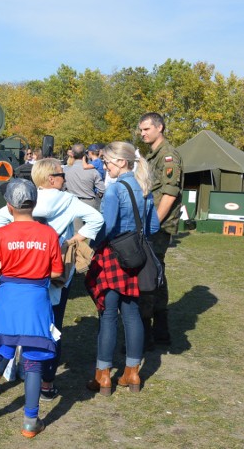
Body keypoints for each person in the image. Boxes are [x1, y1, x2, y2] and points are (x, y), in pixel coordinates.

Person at [0, 158, 103, 401]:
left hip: (21, 272)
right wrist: (70, 242)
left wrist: (15, 239)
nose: (65, 178)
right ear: (52, 178)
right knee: (53, 327)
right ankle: (47, 385)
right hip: (55, 270)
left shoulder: (25, 201)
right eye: (62, 174)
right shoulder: (69, 201)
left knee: (10, 326)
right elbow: (97, 220)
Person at [0, 178, 62, 438]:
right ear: (34, 203)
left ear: (9, 206)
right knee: (33, 360)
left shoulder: (1, 234)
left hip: (8, 299)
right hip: (36, 301)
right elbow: (57, 272)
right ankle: (30, 421)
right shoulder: (49, 234)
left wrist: (8, 275)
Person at [85, 141, 160, 395]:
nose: (104, 166)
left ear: (121, 162)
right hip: (135, 259)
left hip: (112, 256)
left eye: (106, 161)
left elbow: (106, 226)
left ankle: (103, 377)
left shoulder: (115, 190)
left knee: (107, 316)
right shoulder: (144, 188)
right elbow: (153, 228)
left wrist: (92, 245)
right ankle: (133, 374)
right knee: (132, 315)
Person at [138, 112, 182, 348]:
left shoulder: (167, 156)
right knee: (157, 275)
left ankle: (145, 334)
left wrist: (154, 222)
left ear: (160, 127)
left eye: (147, 129)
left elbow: (170, 192)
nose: (143, 133)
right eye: (141, 130)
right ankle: (160, 331)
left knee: (148, 276)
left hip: (159, 225)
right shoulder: (154, 154)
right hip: (153, 221)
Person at [64, 143, 105, 210]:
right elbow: (102, 189)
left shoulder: (66, 171)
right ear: (84, 154)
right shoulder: (93, 171)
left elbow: (63, 188)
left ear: (72, 154)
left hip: (72, 204)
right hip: (89, 204)